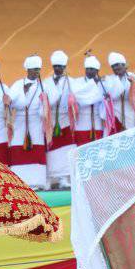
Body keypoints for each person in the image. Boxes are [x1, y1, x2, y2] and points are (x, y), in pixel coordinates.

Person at [8, 56, 50, 188]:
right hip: (20, 121)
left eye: (38, 69)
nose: (36, 72)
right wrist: (23, 93)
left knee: (36, 150)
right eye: (33, 69)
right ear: (28, 70)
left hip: (36, 122)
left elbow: (45, 109)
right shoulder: (18, 85)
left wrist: (44, 102)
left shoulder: (42, 86)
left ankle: (36, 181)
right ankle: (20, 181)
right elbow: (10, 102)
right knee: (18, 148)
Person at [42, 51, 81, 188]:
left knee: (65, 149)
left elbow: (78, 96)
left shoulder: (71, 82)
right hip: (51, 120)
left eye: (61, 66)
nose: (58, 69)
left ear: (64, 67)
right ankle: (51, 178)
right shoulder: (46, 82)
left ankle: (64, 178)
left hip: (65, 119)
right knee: (50, 150)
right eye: (56, 66)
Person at [100, 53, 135, 132]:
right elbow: (112, 95)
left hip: (129, 117)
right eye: (113, 66)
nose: (115, 68)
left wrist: (133, 85)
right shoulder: (109, 79)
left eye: (117, 65)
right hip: (114, 116)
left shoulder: (134, 78)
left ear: (124, 65)